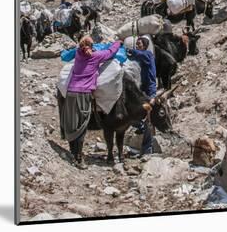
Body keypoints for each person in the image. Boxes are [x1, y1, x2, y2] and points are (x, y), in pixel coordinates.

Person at [58, 35, 122, 168]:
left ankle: (73, 152)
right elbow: (110, 52)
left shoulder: (78, 54)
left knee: (73, 122)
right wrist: (117, 43)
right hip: (84, 93)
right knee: (82, 125)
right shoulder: (95, 56)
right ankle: (79, 159)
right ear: (91, 47)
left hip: (70, 92)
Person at [127, 36, 157, 156]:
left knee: (148, 120)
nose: (137, 45)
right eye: (137, 44)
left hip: (149, 92)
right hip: (141, 91)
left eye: (139, 44)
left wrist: (128, 50)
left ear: (144, 45)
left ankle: (147, 148)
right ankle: (140, 128)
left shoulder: (148, 55)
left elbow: (138, 55)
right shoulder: (139, 56)